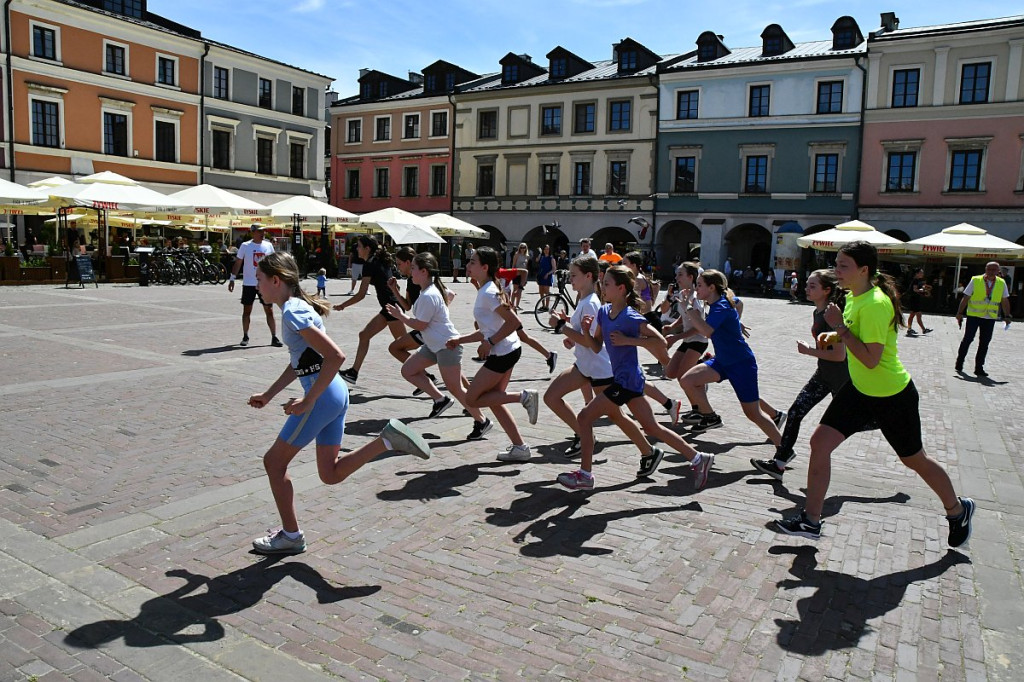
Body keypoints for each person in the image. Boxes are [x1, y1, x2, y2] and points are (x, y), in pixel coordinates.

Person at [773, 241, 975, 548]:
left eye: (843, 266)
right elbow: (852, 341)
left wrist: (839, 327)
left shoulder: (876, 304)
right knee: (820, 442)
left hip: (892, 395)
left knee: (914, 460)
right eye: (836, 264)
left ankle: (957, 510)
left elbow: (870, 358)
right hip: (859, 389)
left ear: (863, 270)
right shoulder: (854, 297)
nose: (836, 271)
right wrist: (835, 332)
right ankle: (810, 521)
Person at [246, 252, 430, 554]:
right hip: (334, 392)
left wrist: (308, 398)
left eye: (260, 279)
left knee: (273, 462)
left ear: (276, 280)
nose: (256, 286)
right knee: (329, 473)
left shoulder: (293, 312)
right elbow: (302, 361)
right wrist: (270, 394)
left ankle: (291, 536)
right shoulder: (298, 308)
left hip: (323, 395)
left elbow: (336, 357)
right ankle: (386, 441)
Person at [555, 265, 713, 491]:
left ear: (621, 288)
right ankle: (699, 458)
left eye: (607, 284)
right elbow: (597, 346)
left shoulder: (630, 316)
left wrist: (630, 341)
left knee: (584, 417)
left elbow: (659, 341)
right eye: (602, 282)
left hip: (626, 382)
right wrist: (582, 332)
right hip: (628, 380)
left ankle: (585, 475)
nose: (603, 287)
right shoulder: (603, 311)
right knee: (652, 428)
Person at [751, 269, 875, 481]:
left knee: (854, 423)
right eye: (807, 284)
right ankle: (779, 462)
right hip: (824, 375)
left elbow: (838, 355)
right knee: (796, 412)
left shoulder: (831, 315)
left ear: (827, 290)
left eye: (812, 286)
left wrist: (808, 350)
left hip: (842, 380)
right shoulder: (818, 312)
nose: (806, 289)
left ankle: (886, 421)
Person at [446, 246, 538, 462]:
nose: (468, 265)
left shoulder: (488, 292)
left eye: (472, 262)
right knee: (494, 400)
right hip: (509, 349)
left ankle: (524, 397)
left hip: (504, 352)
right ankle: (520, 447)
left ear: (485, 267)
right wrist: (461, 340)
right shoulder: (487, 289)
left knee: (472, 398)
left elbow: (514, 322)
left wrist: (490, 342)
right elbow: (489, 328)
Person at [386, 253, 490, 438]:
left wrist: (400, 316)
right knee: (408, 370)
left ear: (424, 271)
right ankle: (440, 399)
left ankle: (482, 421)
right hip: (434, 345)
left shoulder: (429, 294)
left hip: (447, 346)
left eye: (413, 269)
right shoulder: (429, 291)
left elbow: (420, 325)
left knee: (456, 388)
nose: (411, 273)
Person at [677, 269, 785, 441]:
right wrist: (736, 321)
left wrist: (688, 307)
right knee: (687, 380)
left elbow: (706, 331)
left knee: (753, 413)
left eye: (699, 285)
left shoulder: (721, 306)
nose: (696, 289)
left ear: (712, 287)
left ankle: (783, 449)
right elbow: (739, 302)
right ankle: (710, 417)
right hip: (722, 361)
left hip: (741, 363)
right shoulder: (722, 302)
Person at [334, 235, 405, 384]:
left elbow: (361, 294)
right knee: (364, 335)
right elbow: (395, 285)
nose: (356, 249)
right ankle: (353, 373)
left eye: (359, 246)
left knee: (401, 347)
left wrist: (343, 305)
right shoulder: (381, 260)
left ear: (367, 248)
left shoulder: (370, 264)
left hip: (391, 309)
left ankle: (425, 375)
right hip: (389, 308)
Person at [955, 261, 1012, 377]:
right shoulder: (976, 280)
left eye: (994, 270)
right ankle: (959, 362)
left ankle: (979, 367)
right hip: (974, 316)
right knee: (968, 339)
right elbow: (966, 297)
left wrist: (1007, 315)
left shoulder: (1001, 283)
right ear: (985, 269)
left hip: (989, 317)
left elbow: (1005, 300)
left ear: (998, 271)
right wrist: (959, 313)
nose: (991, 271)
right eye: (989, 269)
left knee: (984, 343)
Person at [227, 225, 281, 348]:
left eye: (263, 231)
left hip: (264, 283)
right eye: (259, 231)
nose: (262, 233)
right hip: (249, 283)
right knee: (247, 310)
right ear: (253, 233)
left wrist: (275, 278)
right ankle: (245, 335)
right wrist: (232, 278)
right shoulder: (246, 246)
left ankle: (274, 336)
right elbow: (238, 262)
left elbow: (273, 263)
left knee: (269, 310)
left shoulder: (268, 245)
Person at [903, 268, 933, 337]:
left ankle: (910, 328)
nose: (922, 274)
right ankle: (923, 329)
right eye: (921, 272)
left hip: (914, 299)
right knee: (918, 315)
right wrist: (923, 291)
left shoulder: (917, 280)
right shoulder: (915, 280)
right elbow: (915, 289)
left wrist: (923, 288)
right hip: (914, 299)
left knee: (912, 315)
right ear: (917, 273)